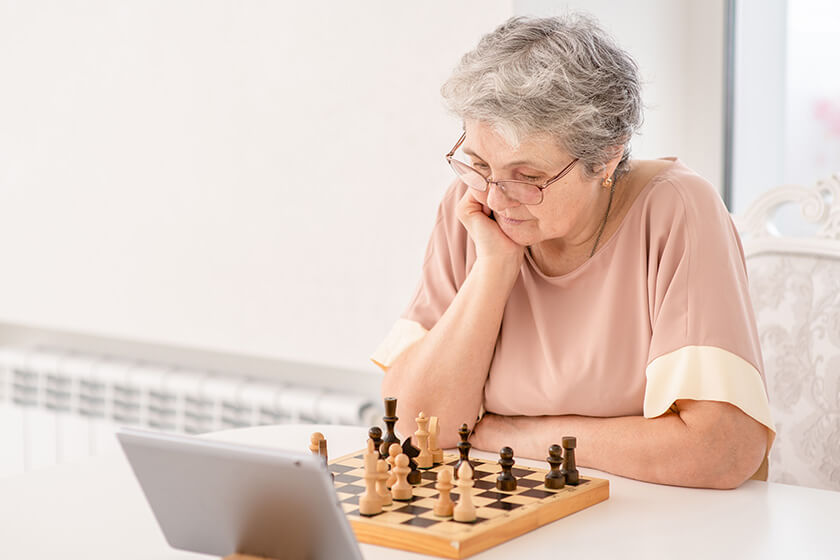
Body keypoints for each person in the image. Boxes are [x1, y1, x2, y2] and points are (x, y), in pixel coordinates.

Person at [372, 14, 774, 489]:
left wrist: (516, 435)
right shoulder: (473, 208)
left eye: (529, 177)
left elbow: (721, 449)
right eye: (479, 163)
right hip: (510, 515)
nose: (497, 198)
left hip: (655, 522)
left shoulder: (676, 210)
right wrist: (494, 269)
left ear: (605, 158)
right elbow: (418, 431)